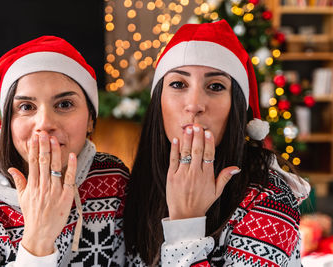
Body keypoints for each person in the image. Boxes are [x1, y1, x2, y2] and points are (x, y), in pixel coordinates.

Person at [124, 20, 310, 266]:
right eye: (178, 84)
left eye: (215, 86)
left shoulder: (271, 198)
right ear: (158, 102)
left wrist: (185, 228)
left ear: (236, 108)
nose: (194, 104)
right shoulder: (138, 189)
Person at [0, 36, 129, 266]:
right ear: (7, 124)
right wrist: (38, 241)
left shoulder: (114, 180)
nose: (44, 123)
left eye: (64, 104)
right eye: (26, 107)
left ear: (90, 120)